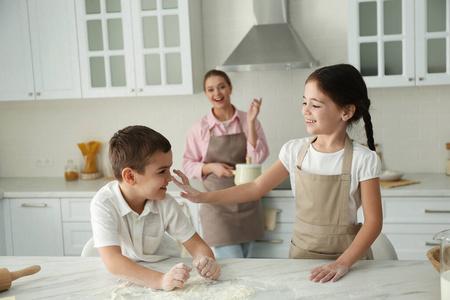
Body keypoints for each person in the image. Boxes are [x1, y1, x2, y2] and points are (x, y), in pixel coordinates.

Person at [174, 64, 382, 283]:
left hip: (350, 262)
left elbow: (373, 222)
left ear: (346, 111)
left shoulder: (364, 159)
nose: (306, 110)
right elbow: (255, 188)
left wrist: (343, 263)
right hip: (302, 258)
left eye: (316, 105)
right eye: (304, 102)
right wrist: (202, 196)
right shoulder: (294, 151)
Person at [90, 125, 220, 291]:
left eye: (169, 169)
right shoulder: (104, 203)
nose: (170, 177)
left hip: (167, 271)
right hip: (128, 277)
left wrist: (207, 262)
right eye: (162, 171)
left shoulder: (165, 203)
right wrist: (160, 281)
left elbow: (199, 247)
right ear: (130, 176)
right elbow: (113, 261)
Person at [182, 70, 270, 258]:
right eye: (210, 89)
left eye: (221, 87)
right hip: (217, 206)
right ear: (206, 94)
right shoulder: (200, 127)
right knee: (233, 264)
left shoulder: (249, 120)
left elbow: (256, 159)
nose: (217, 93)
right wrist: (211, 167)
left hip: (247, 200)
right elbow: (187, 165)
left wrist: (252, 123)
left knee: (249, 264)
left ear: (230, 88)